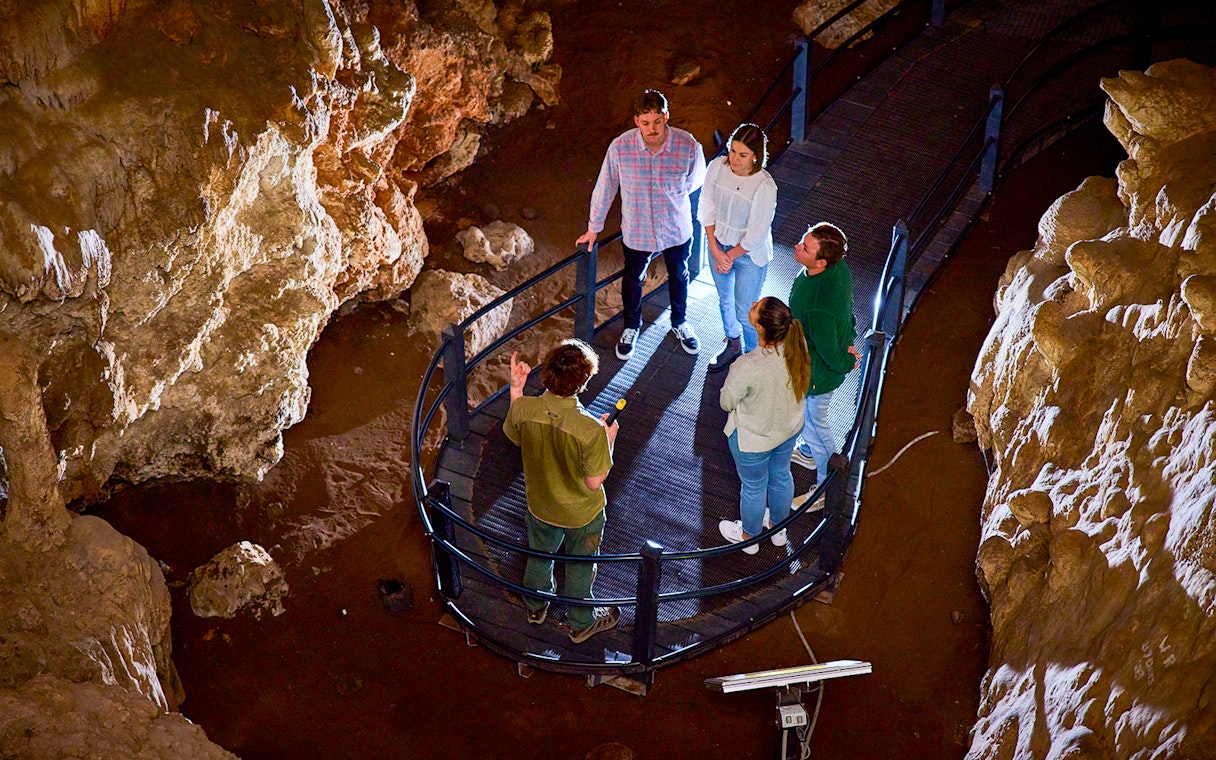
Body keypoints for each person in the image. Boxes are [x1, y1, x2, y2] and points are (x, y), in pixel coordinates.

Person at [503, 340, 622, 643]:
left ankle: (535, 605)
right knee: (580, 566)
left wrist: (516, 388)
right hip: (582, 514)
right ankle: (581, 622)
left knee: (539, 556)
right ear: (582, 382)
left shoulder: (525, 409)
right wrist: (608, 441)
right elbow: (595, 481)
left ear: (546, 373)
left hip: (540, 505)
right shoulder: (591, 429)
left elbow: (515, 434)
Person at [576, 89, 707, 360]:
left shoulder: (689, 146)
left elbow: (696, 182)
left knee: (679, 274)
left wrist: (674, 197)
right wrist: (593, 228)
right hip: (638, 230)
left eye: (657, 121)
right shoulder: (620, 148)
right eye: (646, 123)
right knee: (633, 278)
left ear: (666, 117)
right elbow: (605, 187)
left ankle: (680, 322)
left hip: (676, 228)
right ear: (636, 121)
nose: (652, 129)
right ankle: (631, 326)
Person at [718, 297, 810, 554]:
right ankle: (779, 528)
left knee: (753, 486)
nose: (753, 302)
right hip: (788, 431)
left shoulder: (747, 365)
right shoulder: (798, 346)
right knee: (781, 475)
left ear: (760, 327)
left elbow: (726, 402)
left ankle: (749, 537)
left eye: (756, 306)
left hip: (753, 441)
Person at [698, 123, 778, 373]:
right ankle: (732, 344)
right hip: (718, 245)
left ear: (756, 155)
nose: (734, 159)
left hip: (749, 256)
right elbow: (705, 207)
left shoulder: (764, 186)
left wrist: (728, 256)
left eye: (743, 155)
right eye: (732, 151)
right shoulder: (716, 168)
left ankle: (753, 359)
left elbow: (756, 233)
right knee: (725, 301)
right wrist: (714, 248)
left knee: (746, 311)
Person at [788, 222, 860, 483]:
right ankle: (808, 453)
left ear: (821, 263)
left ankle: (827, 483)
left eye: (805, 248)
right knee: (813, 423)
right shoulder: (838, 268)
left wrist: (847, 361)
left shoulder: (818, 304)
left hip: (815, 377)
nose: (797, 247)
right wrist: (849, 340)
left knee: (814, 425)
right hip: (814, 369)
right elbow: (848, 311)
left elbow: (828, 351)